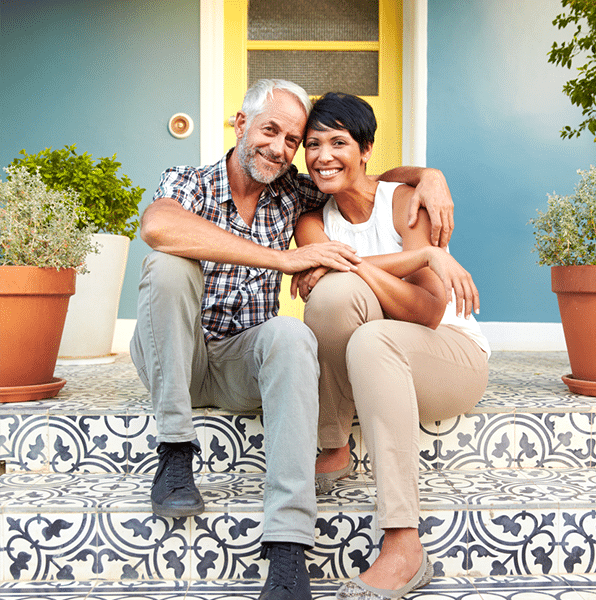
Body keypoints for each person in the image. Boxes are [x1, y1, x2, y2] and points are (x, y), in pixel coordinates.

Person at [130, 79, 456, 600]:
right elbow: (158, 225)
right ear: (241, 125)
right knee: (168, 267)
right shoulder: (189, 180)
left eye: (291, 139)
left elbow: (359, 175)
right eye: (270, 131)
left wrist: (428, 176)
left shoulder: (293, 191)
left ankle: (287, 555)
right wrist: (283, 260)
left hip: (243, 364)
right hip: (178, 357)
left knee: (289, 333)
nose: (281, 149)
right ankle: (174, 451)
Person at [292, 92, 491, 600]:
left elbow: (428, 310)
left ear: (366, 149)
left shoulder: (405, 201)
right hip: (377, 357)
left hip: (449, 353)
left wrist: (343, 262)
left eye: (339, 141)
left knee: (366, 326)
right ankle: (334, 443)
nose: (323, 155)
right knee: (336, 300)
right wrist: (420, 256)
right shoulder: (312, 221)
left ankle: (404, 544)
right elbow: (325, 293)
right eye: (313, 144)